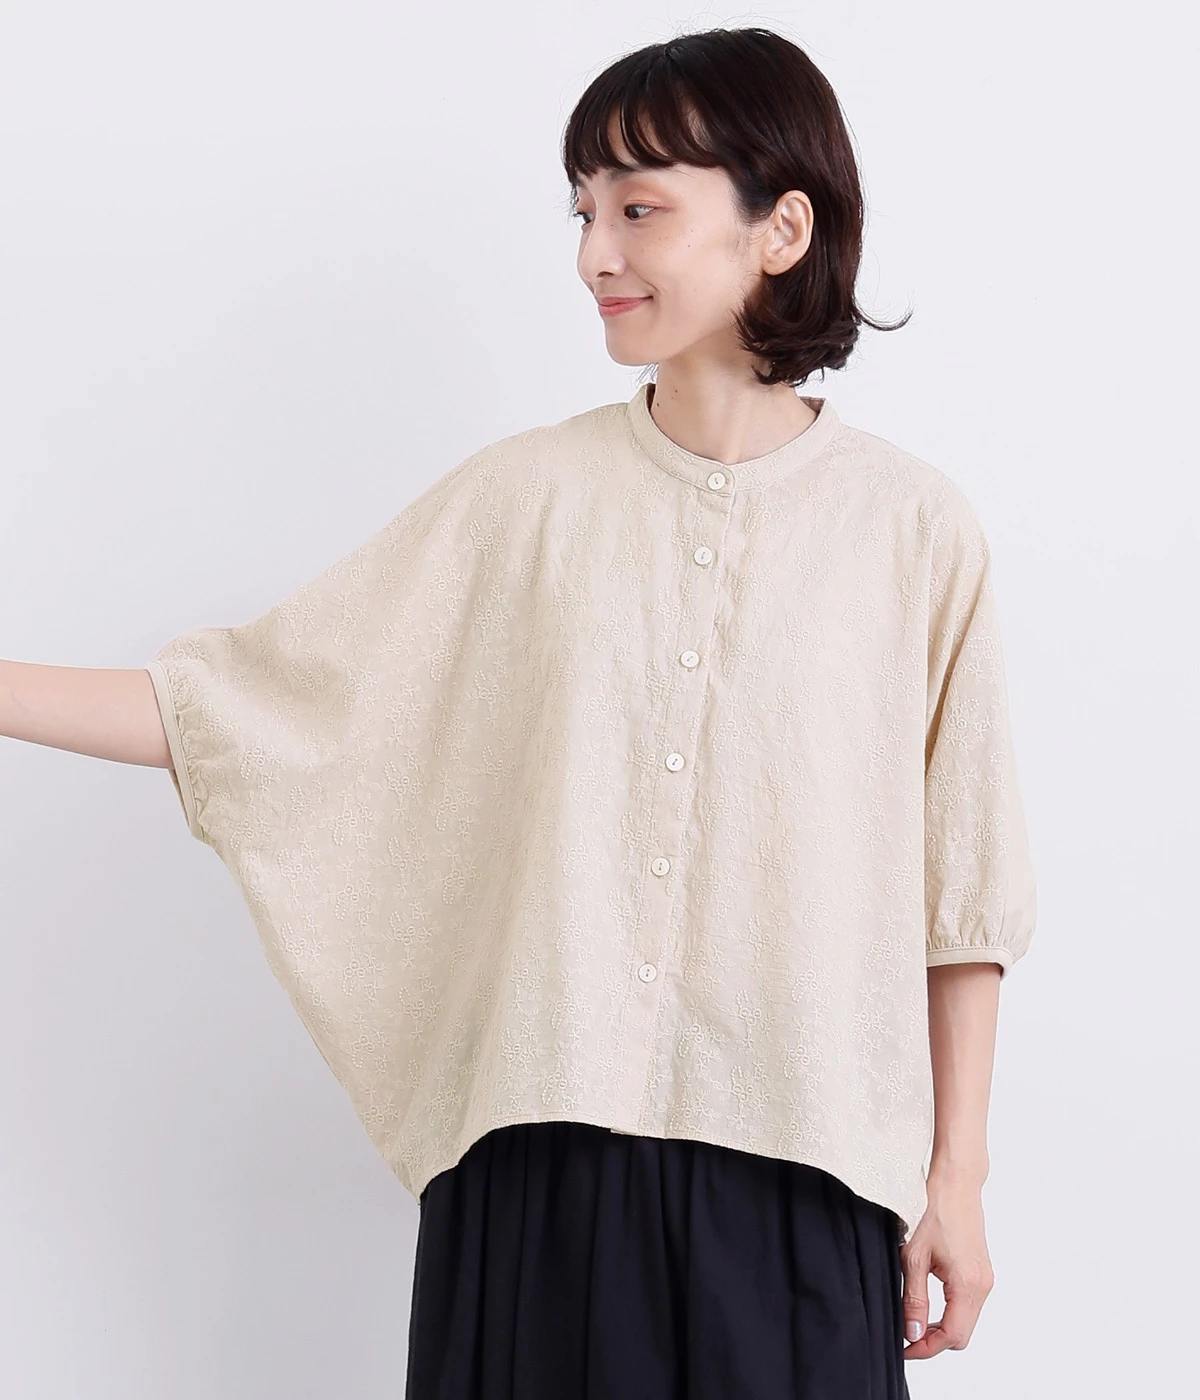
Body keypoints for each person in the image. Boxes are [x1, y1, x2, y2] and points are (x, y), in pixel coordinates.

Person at [0, 25, 1037, 1400]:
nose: (596, 253)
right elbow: (249, 710)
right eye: (583, 210)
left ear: (782, 229)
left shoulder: (914, 531)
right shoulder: (522, 501)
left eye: (639, 209)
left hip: (805, 1188)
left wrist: (957, 1180)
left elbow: (965, 895)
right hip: (542, 1180)